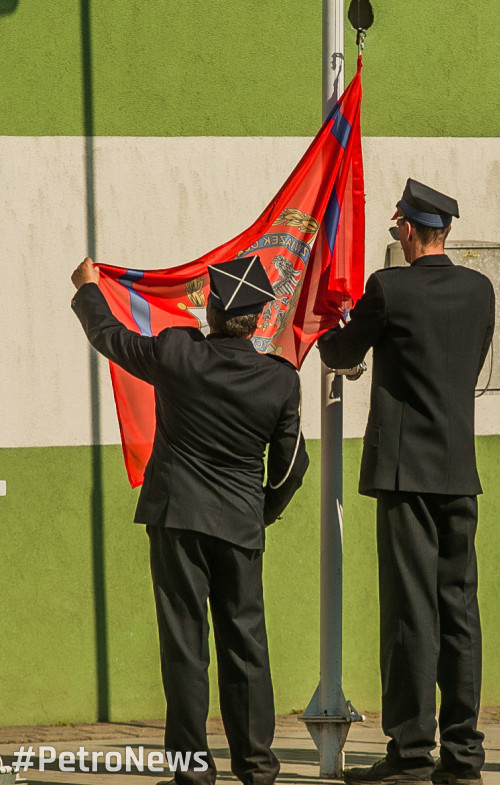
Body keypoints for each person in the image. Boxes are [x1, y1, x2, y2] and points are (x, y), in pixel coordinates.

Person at [71, 255, 309, 785]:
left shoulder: (177, 351)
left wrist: (90, 289)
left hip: (177, 518)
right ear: (260, 317)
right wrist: (261, 511)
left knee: (185, 646)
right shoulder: (279, 379)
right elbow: (292, 467)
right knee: (246, 646)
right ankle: (256, 767)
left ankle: (192, 773)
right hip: (241, 525)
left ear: (213, 312)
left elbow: (110, 337)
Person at [317, 179, 495, 785]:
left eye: (397, 226)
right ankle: (465, 752)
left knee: (410, 614)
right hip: (458, 471)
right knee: (460, 611)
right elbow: (467, 365)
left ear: (412, 230)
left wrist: (332, 331)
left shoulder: (388, 288)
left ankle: (412, 752)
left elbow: (340, 349)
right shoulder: (480, 289)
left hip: (405, 473)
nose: (395, 233)